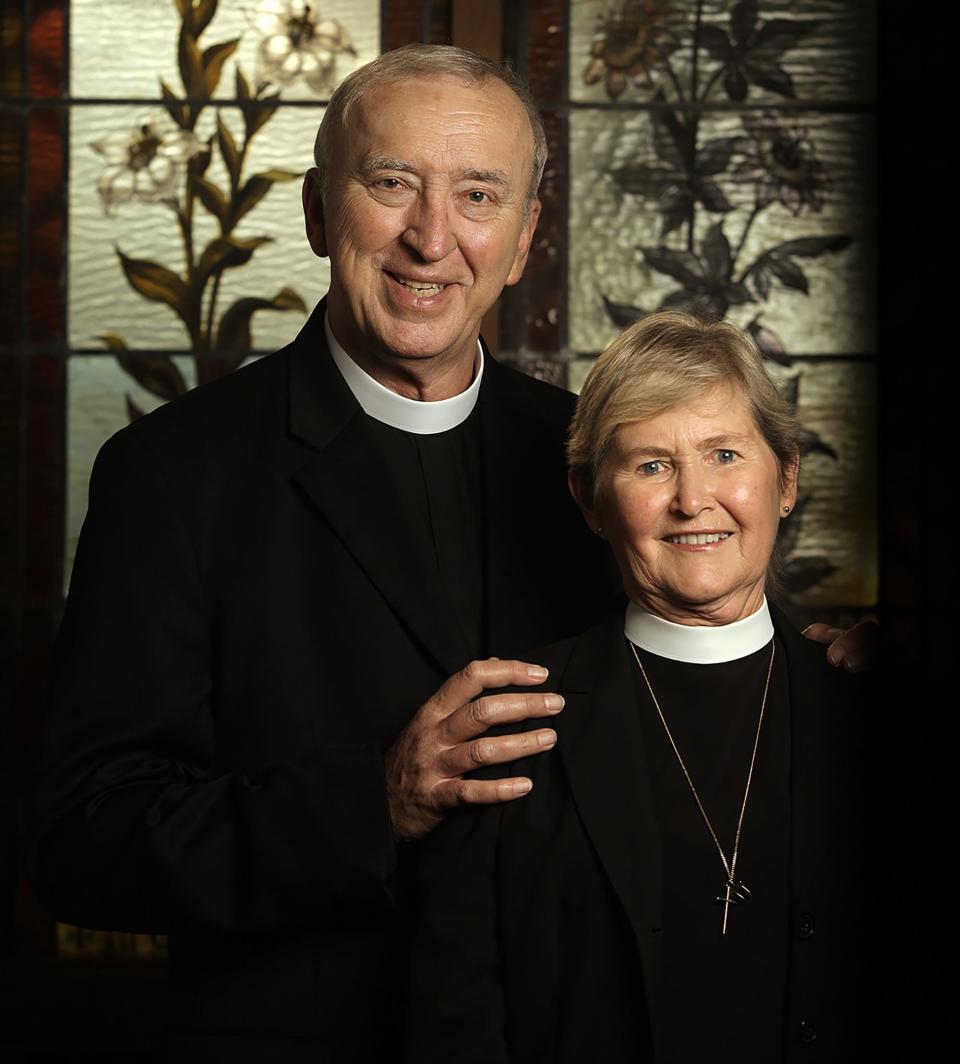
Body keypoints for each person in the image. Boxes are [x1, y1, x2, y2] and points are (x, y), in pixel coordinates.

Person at [27, 46, 870, 1061]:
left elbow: (690, 668)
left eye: (478, 195)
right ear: (316, 210)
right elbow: (81, 840)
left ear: (522, 239)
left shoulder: (598, 461)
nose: (432, 239)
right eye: (391, 184)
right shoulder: (173, 473)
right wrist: (374, 800)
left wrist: (820, 672)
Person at [407, 312, 871, 1063]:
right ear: (591, 500)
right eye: (652, 465)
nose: (693, 499)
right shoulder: (507, 731)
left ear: (785, 478)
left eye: (724, 454)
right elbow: (452, 1026)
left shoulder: (869, 707)